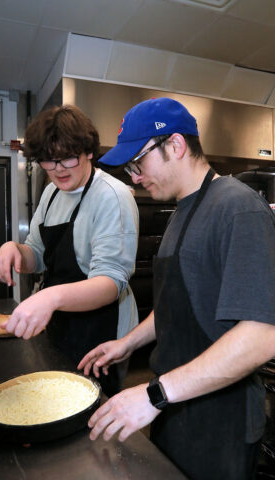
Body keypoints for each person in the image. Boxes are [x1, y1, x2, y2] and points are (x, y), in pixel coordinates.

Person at [78, 97, 275, 479]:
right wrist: (127, 344)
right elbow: (177, 302)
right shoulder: (182, 210)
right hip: (174, 406)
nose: (134, 177)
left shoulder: (238, 209)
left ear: (176, 145)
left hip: (220, 423)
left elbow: (262, 336)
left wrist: (155, 393)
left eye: (138, 162)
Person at [0, 104, 139, 397]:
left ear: (88, 152)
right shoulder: (50, 193)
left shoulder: (112, 196)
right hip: (62, 322)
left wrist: (50, 296)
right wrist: (15, 250)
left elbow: (111, 283)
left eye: (67, 158)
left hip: (103, 331)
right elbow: (36, 253)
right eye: (48, 161)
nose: (58, 169)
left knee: (93, 415)